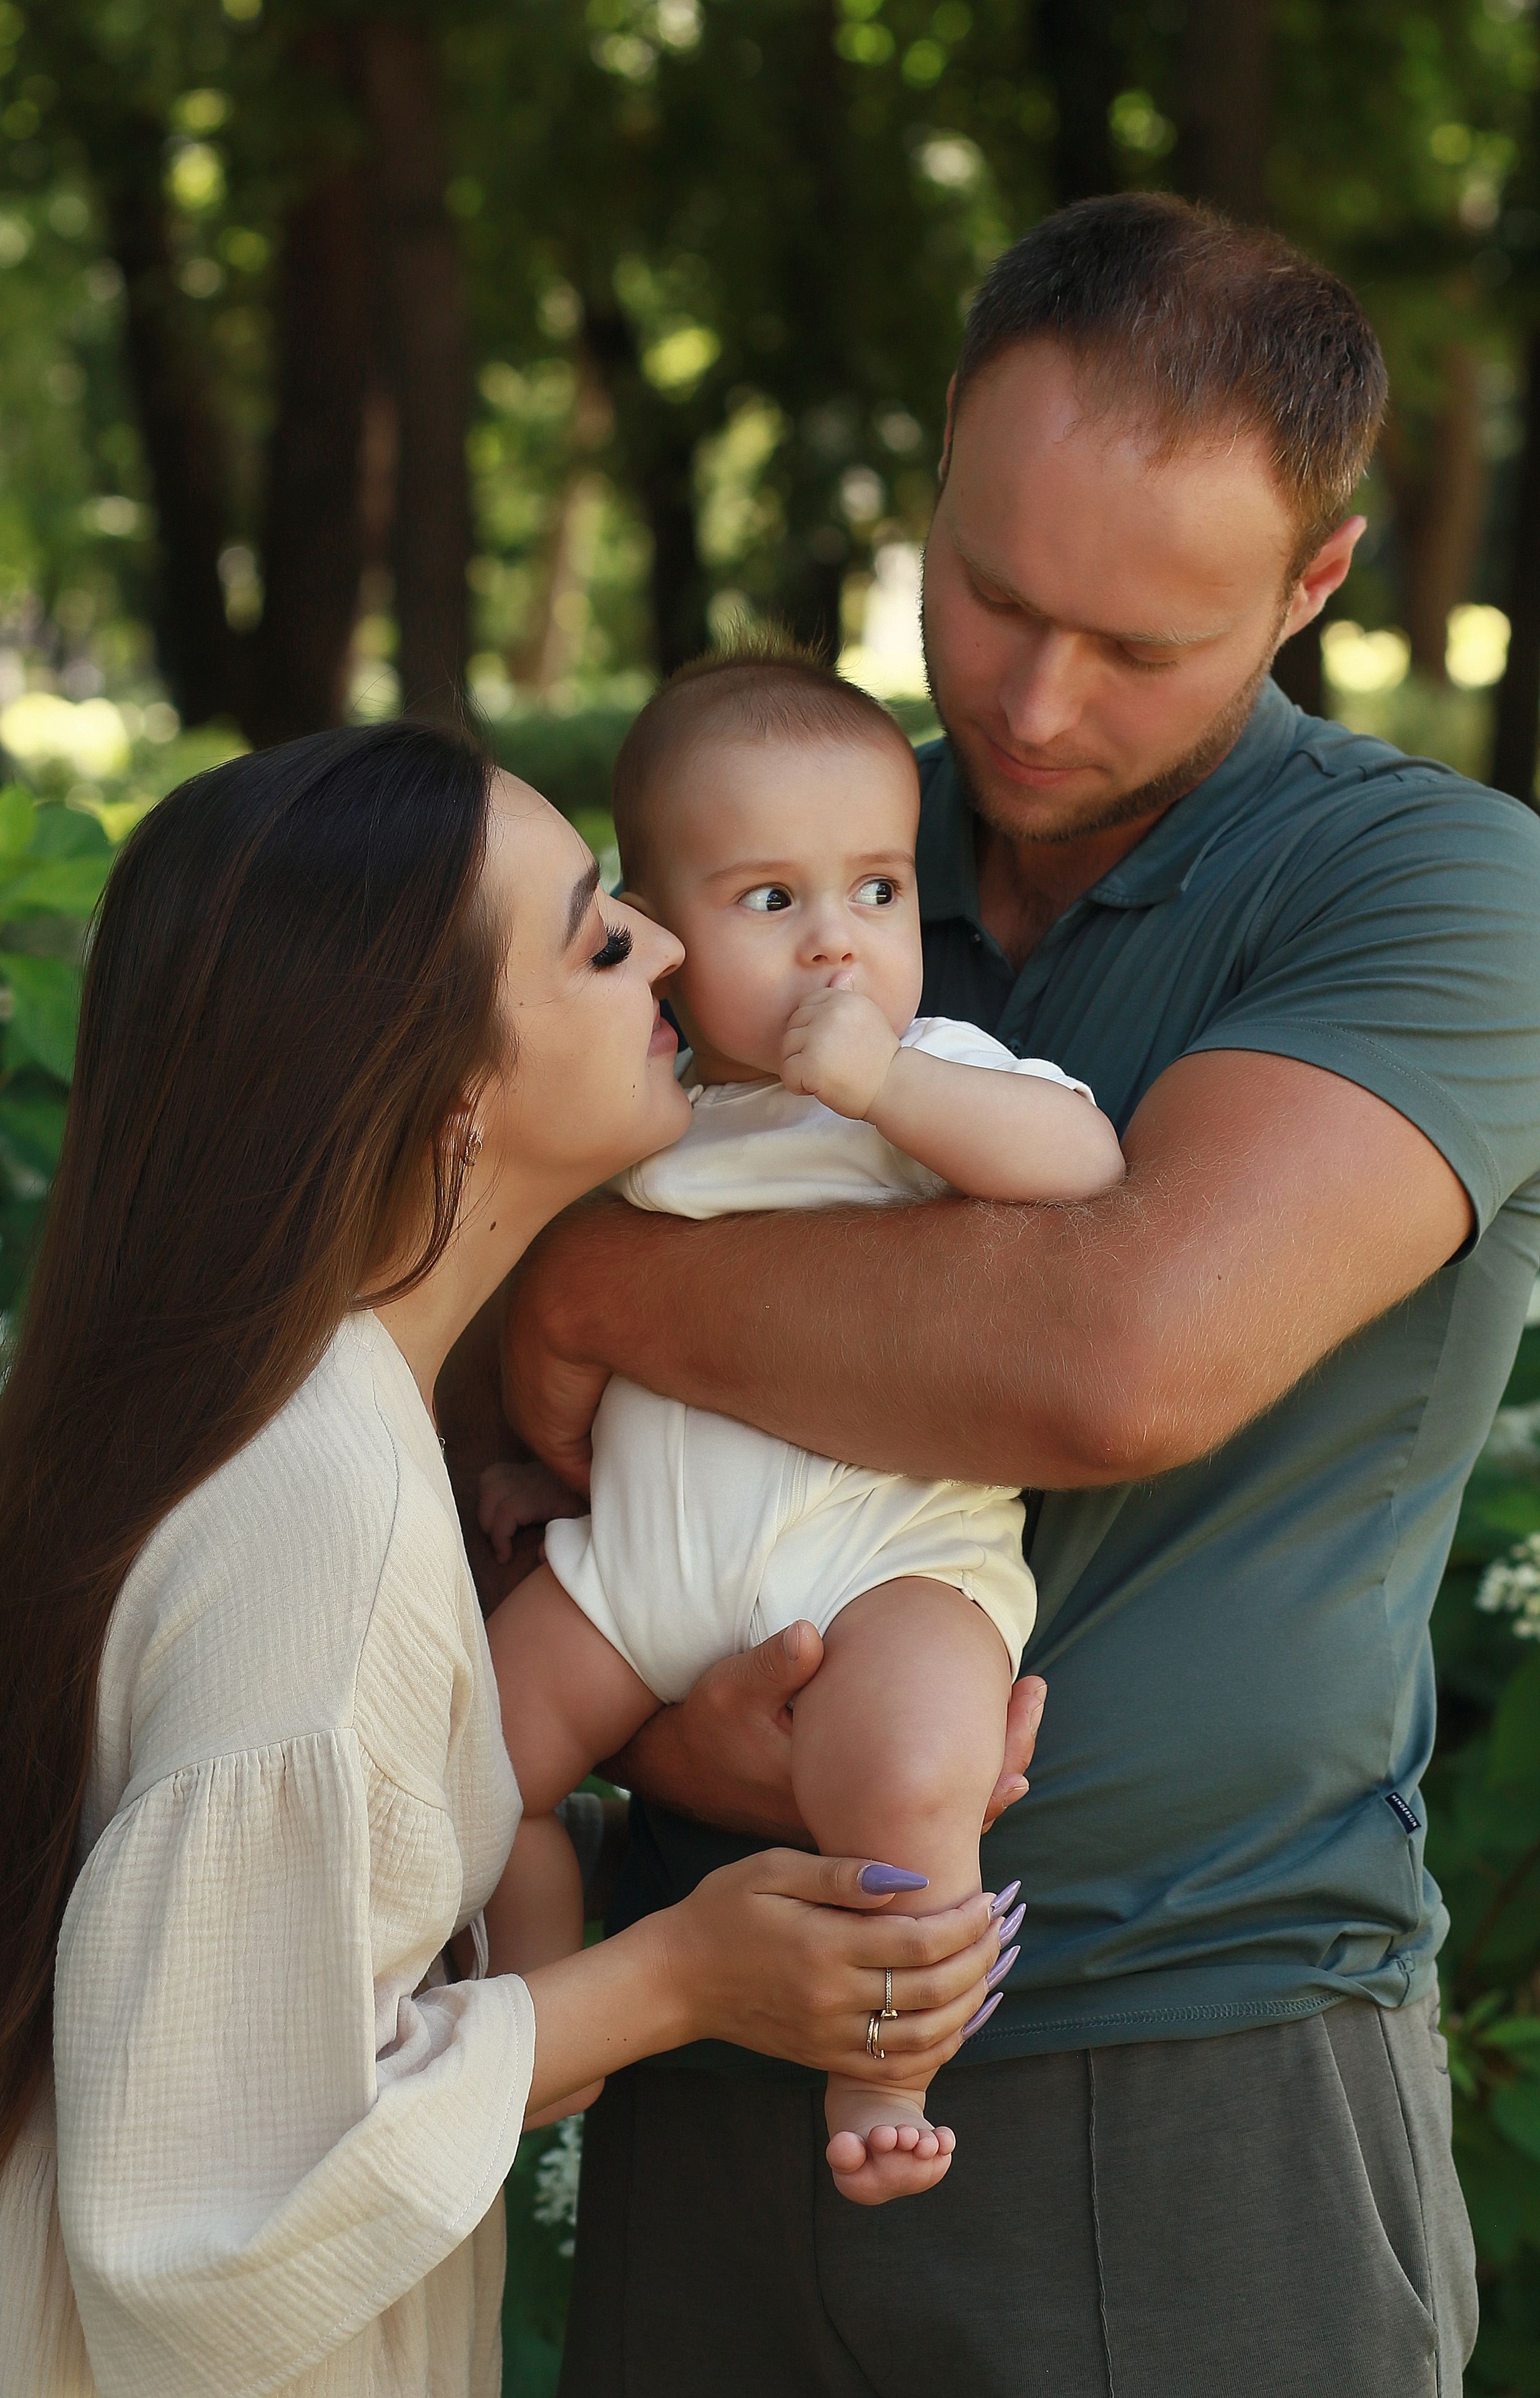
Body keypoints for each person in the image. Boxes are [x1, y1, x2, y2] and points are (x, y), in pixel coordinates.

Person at [446, 198, 1540, 2394]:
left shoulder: (1435, 889)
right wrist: (648, 1707)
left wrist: (598, 1295)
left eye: (1139, 645)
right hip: (705, 2019)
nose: (1034, 704)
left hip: (1194, 2059)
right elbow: (460, 1383)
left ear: (1317, 579)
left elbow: (1120, 1352)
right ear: (942, 462)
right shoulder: (782, 843)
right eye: (993, 594)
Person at [0, 722, 1007, 2398]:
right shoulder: (323, 1523)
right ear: (450, 1094)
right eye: (597, 938)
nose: (667, 943)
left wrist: (676, 1785)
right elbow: (210, 2223)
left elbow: (248, 1952)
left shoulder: (265, 1417)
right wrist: (678, 1975)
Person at [476, 647, 1122, 2202]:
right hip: (643, 1567)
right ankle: (534, 2012)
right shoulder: (646, 1109)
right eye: (770, 899)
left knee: (911, 1773)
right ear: (656, 934)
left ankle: (882, 2071)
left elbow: (1081, 1162)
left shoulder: (931, 1076)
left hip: (885, 1556)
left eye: (876, 892)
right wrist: (541, 1465)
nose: (836, 941)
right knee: (473, 1755)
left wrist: (887, 1087)